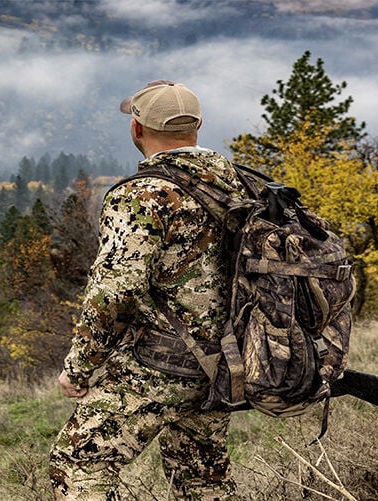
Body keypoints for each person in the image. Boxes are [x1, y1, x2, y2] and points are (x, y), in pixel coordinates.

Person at [48, 81, 246, 500]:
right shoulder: (237, 185)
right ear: (198, 126)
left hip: (159, 361)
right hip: (223, 363)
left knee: (78, 464)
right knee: (200, 478)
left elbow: (115, 291)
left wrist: (79, 366)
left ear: (136, 129)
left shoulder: (143, 196)